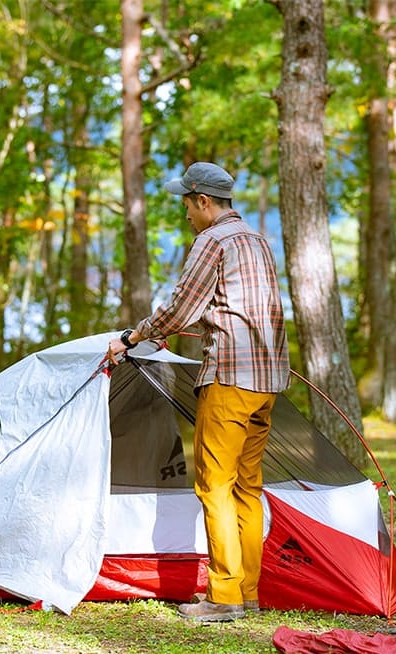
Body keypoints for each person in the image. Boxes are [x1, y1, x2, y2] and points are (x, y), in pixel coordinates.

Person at [107, 161, 289, 622]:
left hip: (230, 378)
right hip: (267, 381)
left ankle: (223, 598)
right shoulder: (256, 240)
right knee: (247, 486)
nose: (186, 213)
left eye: (187, 203)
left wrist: (132, 337)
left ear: (204, 202)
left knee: (214, 485)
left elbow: (183, 307)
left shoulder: (213, 240)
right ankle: (247, 591)